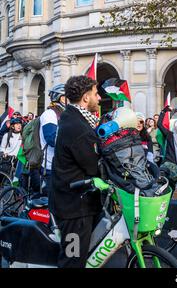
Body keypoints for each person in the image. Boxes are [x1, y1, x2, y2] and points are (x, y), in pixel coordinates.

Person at [50, 76, 102, 268]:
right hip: (74, 208)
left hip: (77, 202)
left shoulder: (75, 118)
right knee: (72, 260)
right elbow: (93, 165)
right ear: (86, 98)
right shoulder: (77, 126)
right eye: (96, 94)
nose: (99, 98)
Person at [37, 84, 67, 195]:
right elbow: (51, 139)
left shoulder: (63, 114)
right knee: (51, 201)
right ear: (62, 98)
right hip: (50, 166)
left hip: (62, 165)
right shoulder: (50, 114)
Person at [157, 105, 177, 199]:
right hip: (169, 165)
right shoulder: (171, 136)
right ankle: (172, 203)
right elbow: (159, 124)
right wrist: (164, 111)